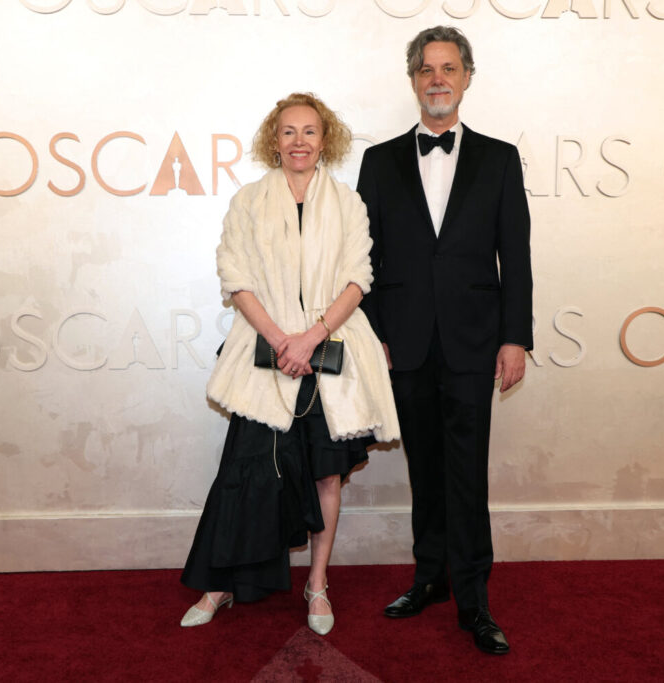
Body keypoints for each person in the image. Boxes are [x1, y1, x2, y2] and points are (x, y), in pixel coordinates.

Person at [180, 93, 400, 636]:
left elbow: (359, 277)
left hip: (332, 355)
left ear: (326, 140)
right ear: (272, 141)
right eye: (287, 132)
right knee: (247, 471)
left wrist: (312, 337)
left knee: (327, 474)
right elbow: (235, 275)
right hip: (264, 353)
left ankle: (317, 584)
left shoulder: (348, 204)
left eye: (309, 131)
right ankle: (222, 582)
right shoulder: (248, 201)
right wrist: (283, 340)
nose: (298, 141)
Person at [356, 26, 532, 655]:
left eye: (449, 68)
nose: (437, 78)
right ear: (413, 80)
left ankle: (475, 598)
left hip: (474, 341)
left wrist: (515, 338)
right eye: (426, 68)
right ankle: (428, 577)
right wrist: (372, 333)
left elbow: (516, 254)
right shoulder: (378, 162)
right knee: (425, 470)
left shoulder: (500, 158)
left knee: (467, 473)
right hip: (402, 343)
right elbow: (362, 260)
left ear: (466, 77)